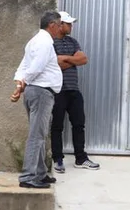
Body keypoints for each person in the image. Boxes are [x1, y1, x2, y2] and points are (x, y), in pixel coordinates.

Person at [12, 11, 64, 189]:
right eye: (59, 25)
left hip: (37, 92)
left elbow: (23, 66)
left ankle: (40, 174)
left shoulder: (34, 41)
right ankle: (28, 177)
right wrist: (23, 83)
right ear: (51, 25)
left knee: (40, 133)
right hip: (41, 92)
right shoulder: (44, 42)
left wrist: (20, 85)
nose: (61, 28)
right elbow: (36, 67)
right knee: (37, 135)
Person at [51, 11, 100, 173]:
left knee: (79, 124)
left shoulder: (73, 41)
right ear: (60, 25)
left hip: (74, 91)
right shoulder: (50, 42)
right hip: (57, 91)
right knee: (57, 126)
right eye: (68, 24)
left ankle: (81, 158)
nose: (71, 26)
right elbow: (54, 64)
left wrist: (66, 59)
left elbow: (83, 59)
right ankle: (58, 159)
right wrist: (72, 60)